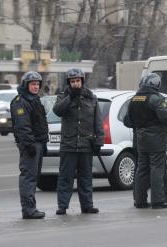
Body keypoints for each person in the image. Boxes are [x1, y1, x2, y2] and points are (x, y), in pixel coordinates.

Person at [53, 68, 104, 215]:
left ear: (82, 81)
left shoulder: (91, 97)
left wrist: (99, 141)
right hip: (68, 145)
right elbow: (57, 111)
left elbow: (98, 121)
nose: (75, 84)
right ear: (69, 83)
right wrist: (71, 97)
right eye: (73, 81)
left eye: (78, 81)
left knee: (86, 178)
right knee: (65, 178)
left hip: (86, 145)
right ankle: (62, 206)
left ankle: (87, 205)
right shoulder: (63, 96)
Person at [126, 73, 167, 209]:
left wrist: (140, 126)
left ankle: (140, 201)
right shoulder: (156, 99)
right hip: (157, 140)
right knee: (157, 169)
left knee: (142, 169)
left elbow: (127, 120)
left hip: (141, 139)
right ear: (156, 84)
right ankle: (158, 200)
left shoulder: (134, 99)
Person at [11, 71, 48, 219]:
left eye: (38, 84)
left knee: (34, 177)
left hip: (38, 143)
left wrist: (43, 143)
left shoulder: (34, 99)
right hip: (30, 145)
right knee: (29, 177)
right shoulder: (21, 101)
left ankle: (31, 208)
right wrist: (29, 144)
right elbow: (23, 126)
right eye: (33, 84)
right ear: (26, 85)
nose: (36, 86)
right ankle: (28, 210)